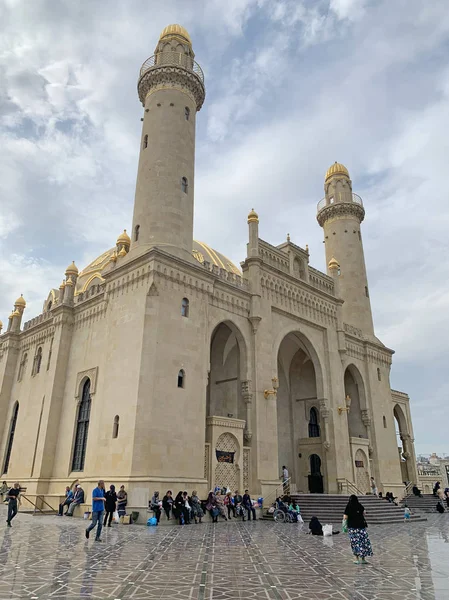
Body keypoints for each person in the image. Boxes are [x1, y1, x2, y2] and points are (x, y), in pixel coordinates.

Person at [343, 495, 373, 565]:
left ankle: (356, 559)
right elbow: (364, 512)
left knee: (355, 542)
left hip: (352, 527)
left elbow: (345, 517)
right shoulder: (359, 505)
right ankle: (363, 558)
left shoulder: (349, 506)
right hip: (361, 526)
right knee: (363, 542)